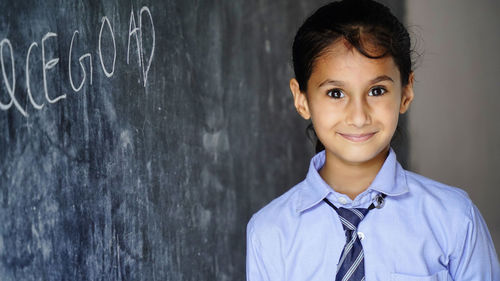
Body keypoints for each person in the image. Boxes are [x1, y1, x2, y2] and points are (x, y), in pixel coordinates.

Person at [246, 0, 500, 280]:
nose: (358, 116)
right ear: (301, 99)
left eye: (377, 91)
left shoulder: (454, 218)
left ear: (406, 93)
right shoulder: (269, 231)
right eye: (335, 93)